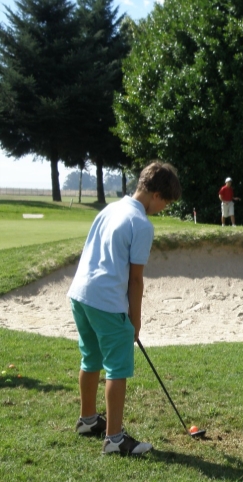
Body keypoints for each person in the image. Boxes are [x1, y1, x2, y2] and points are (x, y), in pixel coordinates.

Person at [68, 162, 182, 455]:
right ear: (156, 195)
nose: (163, 208)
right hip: (106, 300)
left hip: (80, 294)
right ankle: (114, 439)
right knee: (117, 368)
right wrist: (135, 320)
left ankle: (88, 419)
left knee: (90, 358)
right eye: (166, 203)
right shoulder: (142, 224)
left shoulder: (110, 209)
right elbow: (135, 279)